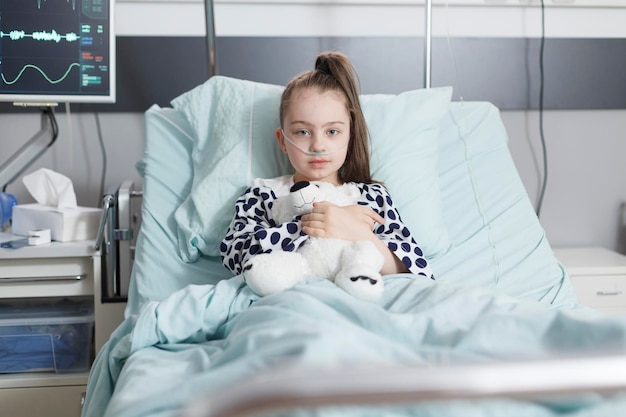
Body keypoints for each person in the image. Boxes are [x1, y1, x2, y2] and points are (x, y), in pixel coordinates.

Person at [220, 50, 433, 283]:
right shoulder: (262, 195)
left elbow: (417, 270)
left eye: (332, 131)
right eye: (303, 132)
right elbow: (236, 256)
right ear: (282, 141)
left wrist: (353, 230)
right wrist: (309, 224)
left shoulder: (372, 198)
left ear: (349, 136)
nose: (318, 145)